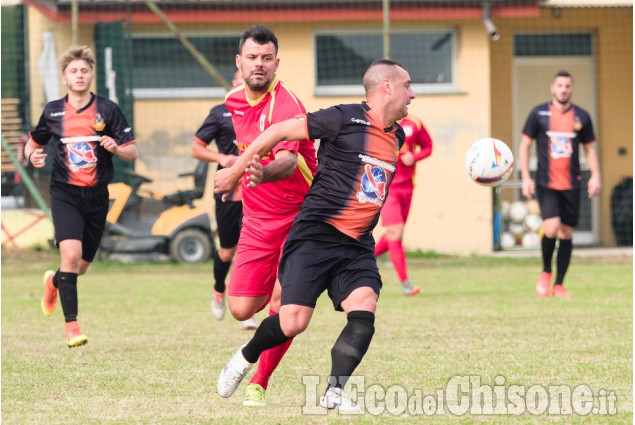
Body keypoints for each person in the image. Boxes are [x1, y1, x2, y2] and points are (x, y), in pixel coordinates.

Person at [215, 59, 415, 412]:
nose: (412, 94)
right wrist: (235, 170)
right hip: (315, 235)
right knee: (293, 322)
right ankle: (245, 358)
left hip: (356, 245)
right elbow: (277, 133)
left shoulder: (397, 135)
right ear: (386, 87)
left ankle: (334, 393)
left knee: (364, 306)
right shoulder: (343, 117)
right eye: (407, 86)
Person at [219, 24, 318, 407]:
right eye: (252, 58)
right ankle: (263, 331)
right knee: (242, 308)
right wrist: (237, 171)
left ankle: (259, 380)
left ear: (277, 63)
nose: (259, 64)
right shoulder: (232, 101)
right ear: (239, 62)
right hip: (258, 220)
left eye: (266, 58)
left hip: (301, 217)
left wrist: (260, 172)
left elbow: (288, 161)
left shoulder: (287, 105)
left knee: (286, 299)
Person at [25, 45, 138, 347]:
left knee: (81, 266)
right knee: (71, 256)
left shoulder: (108, 109)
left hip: (98, 195)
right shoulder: (53, 111)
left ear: (91, 75)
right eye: (74, 71)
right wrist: (33, 156)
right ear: (65, 78)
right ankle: (72, 327)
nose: (79, 75)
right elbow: (32, 144)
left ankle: (53, 282)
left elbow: (132, 151)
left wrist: (116, 148)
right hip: (64, 193)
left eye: (84, 71)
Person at [519, 70, 601, 298]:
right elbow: (524, 145)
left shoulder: (581, 117)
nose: (563, 89)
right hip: (546, 183)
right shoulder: (539, 114)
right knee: (552, 227)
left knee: (566, 233)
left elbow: (590, 149)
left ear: (571, 89)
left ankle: (559, 285)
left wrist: (595, 175)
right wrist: (526, 177)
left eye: (567, 86)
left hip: (572, 184)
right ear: (553, 88)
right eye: (560, 85)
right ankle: (545, 272)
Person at [191, 69, 258, 331]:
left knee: (250, 248)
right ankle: (219, 288)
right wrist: (221, 159)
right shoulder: (221, 112)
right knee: (228, 250)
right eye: (240, 77)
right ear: (233, 83)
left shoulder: (267, 111)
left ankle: (248, 309)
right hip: (229, 191)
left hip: (258, 189)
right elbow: (195, 148)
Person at [374, 115, 432, 296]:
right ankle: (406, 284)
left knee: (393, 235)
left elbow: (428, 147)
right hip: (386, 188)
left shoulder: (415, 123)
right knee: (396, 231)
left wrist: (415, 157)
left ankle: (358, 257)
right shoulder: (376, 123)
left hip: (407, 189)